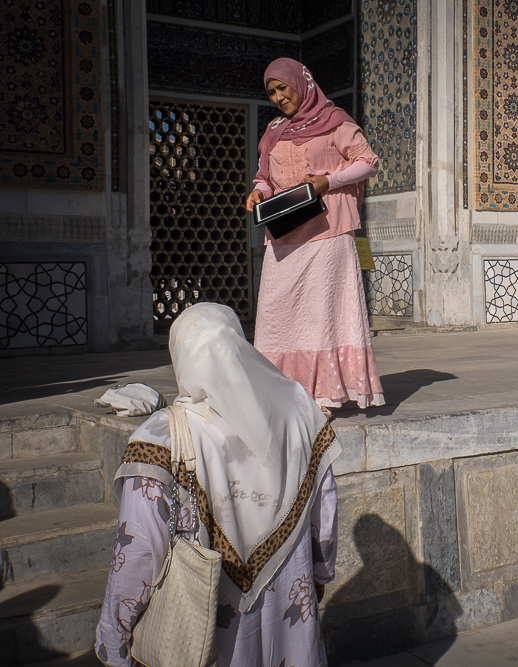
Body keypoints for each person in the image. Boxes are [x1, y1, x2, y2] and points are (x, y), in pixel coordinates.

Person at [95, 302, 341, 666]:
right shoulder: (300, 412)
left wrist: (112, 637)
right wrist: (319, 574)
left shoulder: (162, 437)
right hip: (290, 610)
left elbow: (139, 549)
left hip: (205, 628)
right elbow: (326, 511)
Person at [246, 57, 384, 411]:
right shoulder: (274, 130)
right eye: (271, 92)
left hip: (328, 231)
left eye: (283, 88)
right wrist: (259, 191)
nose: (278, 97)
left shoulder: (335, 122)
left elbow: (368, 161)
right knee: (278, 311)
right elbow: (265, 175)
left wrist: (329, 180)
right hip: (285, 233)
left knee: (320, 312)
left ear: (302, 84)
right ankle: (279, 388)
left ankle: (323, 395)